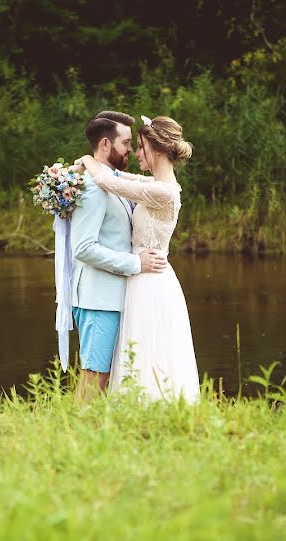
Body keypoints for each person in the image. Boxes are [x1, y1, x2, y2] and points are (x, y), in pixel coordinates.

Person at [76, 115, 199, 403]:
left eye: (141, 147)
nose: (137, 153)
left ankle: (152, 404)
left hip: (151, 279)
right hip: (139, 277)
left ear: (155, 150)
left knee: (150, 345)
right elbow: (120, 178)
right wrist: (77, 170)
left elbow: (110, 181)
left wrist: (86, 158)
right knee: (137, 345)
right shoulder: (155, 184)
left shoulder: (163, 192)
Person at [70, 111, 168, 400]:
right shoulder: (93, 188)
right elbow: (83, 248)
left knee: (106, 377)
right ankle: (72, 434)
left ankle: (92, 432)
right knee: (94, 375)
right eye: (126, 143)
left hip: (116, 298)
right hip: (98, 298)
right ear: (105, 144)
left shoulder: (112, 181)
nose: (130, 150)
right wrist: (136, 263)